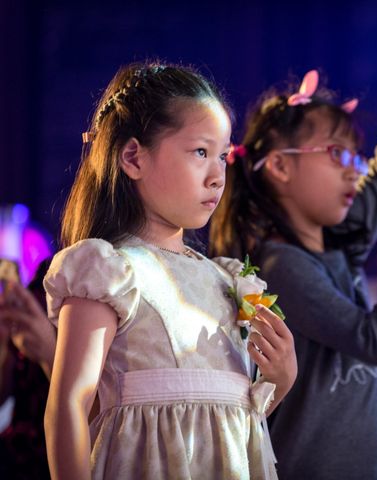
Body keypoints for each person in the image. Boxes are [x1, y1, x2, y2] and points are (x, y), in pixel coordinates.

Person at [42, 62, 297, 480]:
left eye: (223, 157)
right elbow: (69, 405)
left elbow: (227, 423)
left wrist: (281, 380)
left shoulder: (225, 280)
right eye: (200, 152)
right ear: (133, 157)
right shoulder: (109, 271)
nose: (217, 176)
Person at [210, 69, 377, 479]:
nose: (356, 170)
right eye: (338, 154)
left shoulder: (338, 244)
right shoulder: (281, 266)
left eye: (357, 156)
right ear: (281, 168)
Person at [0, 259, 55, 479]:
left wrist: (51, 355)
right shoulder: (46, 274)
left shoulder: (105, 275)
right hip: (16, 456)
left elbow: (104, 414)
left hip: (56, 457)